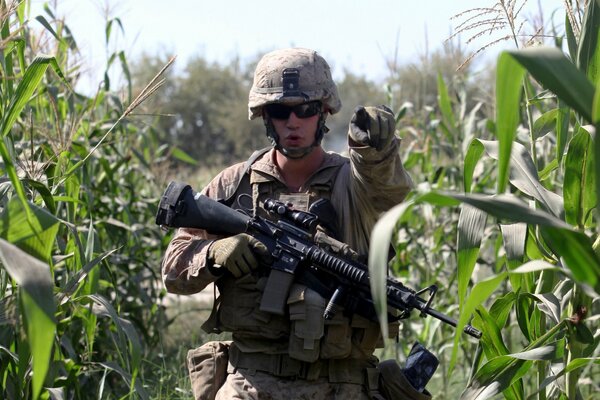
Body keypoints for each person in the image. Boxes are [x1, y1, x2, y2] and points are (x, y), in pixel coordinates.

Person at [161, 47, 416, 400]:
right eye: (281, 111)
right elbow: (173, 269)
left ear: (324, 112)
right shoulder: (235, 185)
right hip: (250, 380)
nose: (293, 122)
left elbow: (388, 190)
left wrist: (374, 151)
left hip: (340, 383)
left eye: (305, 109)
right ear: (265, 116)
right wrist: (214, 253)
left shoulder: (354, 184)